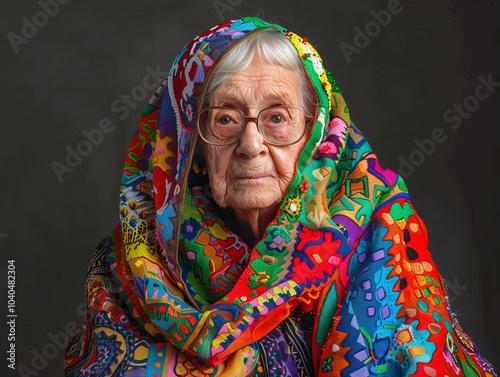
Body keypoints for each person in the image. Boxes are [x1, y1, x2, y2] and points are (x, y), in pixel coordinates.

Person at [63, 17, 496, 377]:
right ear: (190, 151)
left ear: (315, 137)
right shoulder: (131, 266)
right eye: (226, 119)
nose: (251, 144)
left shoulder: (380, 237)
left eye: (277, 118)